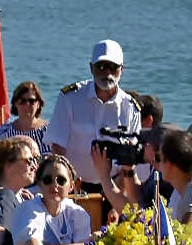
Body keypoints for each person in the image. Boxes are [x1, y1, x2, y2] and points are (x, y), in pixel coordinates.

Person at [43, 39, 142, 199]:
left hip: (114, 189)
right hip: (73, 189)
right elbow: (58, 146)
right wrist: (67, 186)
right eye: (101, 67)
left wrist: (118, 199)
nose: (107, 73)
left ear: (121, 69)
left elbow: (130, 160)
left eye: (113, 67)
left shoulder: (130, 108)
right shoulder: (70, 98)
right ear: (91, 68)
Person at [12, 154, 93, 245]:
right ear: (39, 183)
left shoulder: (78, 213)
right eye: (47, 179)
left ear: (71, 186)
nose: (54, 185)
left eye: (61, 180)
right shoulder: (30, 209)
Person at [0, 80, 49, 151]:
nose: (27, 105)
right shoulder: (5, 131)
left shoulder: (48, 131)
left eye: (31, 101)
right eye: (22, 101)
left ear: (38, 105)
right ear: (15, 103)